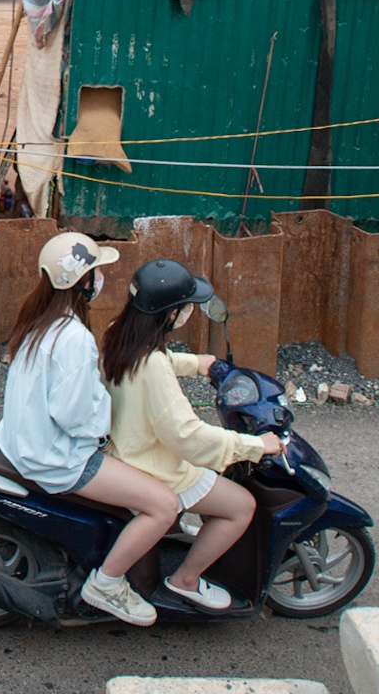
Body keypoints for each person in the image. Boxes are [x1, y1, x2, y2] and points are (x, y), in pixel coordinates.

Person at [0, 232, 180, 628]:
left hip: (25, 442)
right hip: (61, 458)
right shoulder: (74, 337)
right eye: (96, 271)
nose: (100, 278)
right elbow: (74, 415)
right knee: (164, 505)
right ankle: (108, 585)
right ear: (83, 282)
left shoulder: (39, 323)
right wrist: (107, 422)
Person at [100, 260, 283, 614]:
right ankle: (185, 580)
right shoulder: (153, 366)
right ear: (169, 315)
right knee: (240, 506)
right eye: (185, 306)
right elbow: (186, 437)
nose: (188, 312)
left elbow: (150, 360)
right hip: (155, 465)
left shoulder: (116, 331)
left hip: (126, 447)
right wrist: (255, 446)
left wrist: (198, 363)